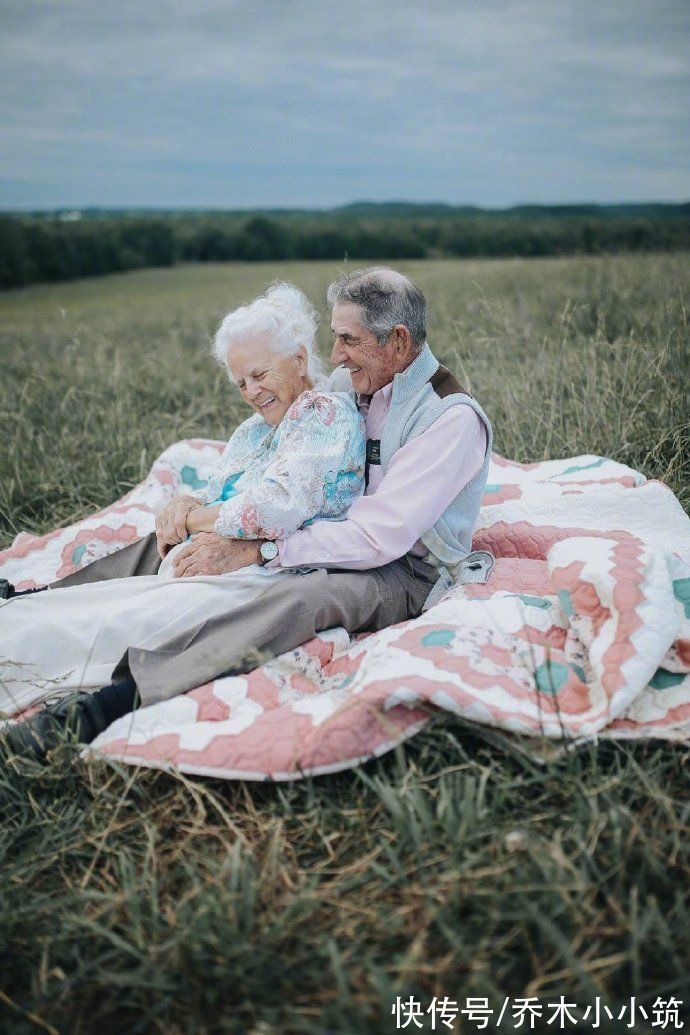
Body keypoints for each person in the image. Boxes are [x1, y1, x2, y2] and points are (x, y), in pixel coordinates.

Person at [2, 267, 493, 760]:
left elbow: (376, 539)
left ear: (399, 341)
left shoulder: (449, 420)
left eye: (348, 339)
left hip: (403, 569)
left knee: (303, 596)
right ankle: (37, 598)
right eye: (335, 336)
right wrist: (205, 516)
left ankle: (112, 702)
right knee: (182, 535)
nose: (336, 354)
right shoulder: (354, 381)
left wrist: (265, 549)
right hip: (326, 526)